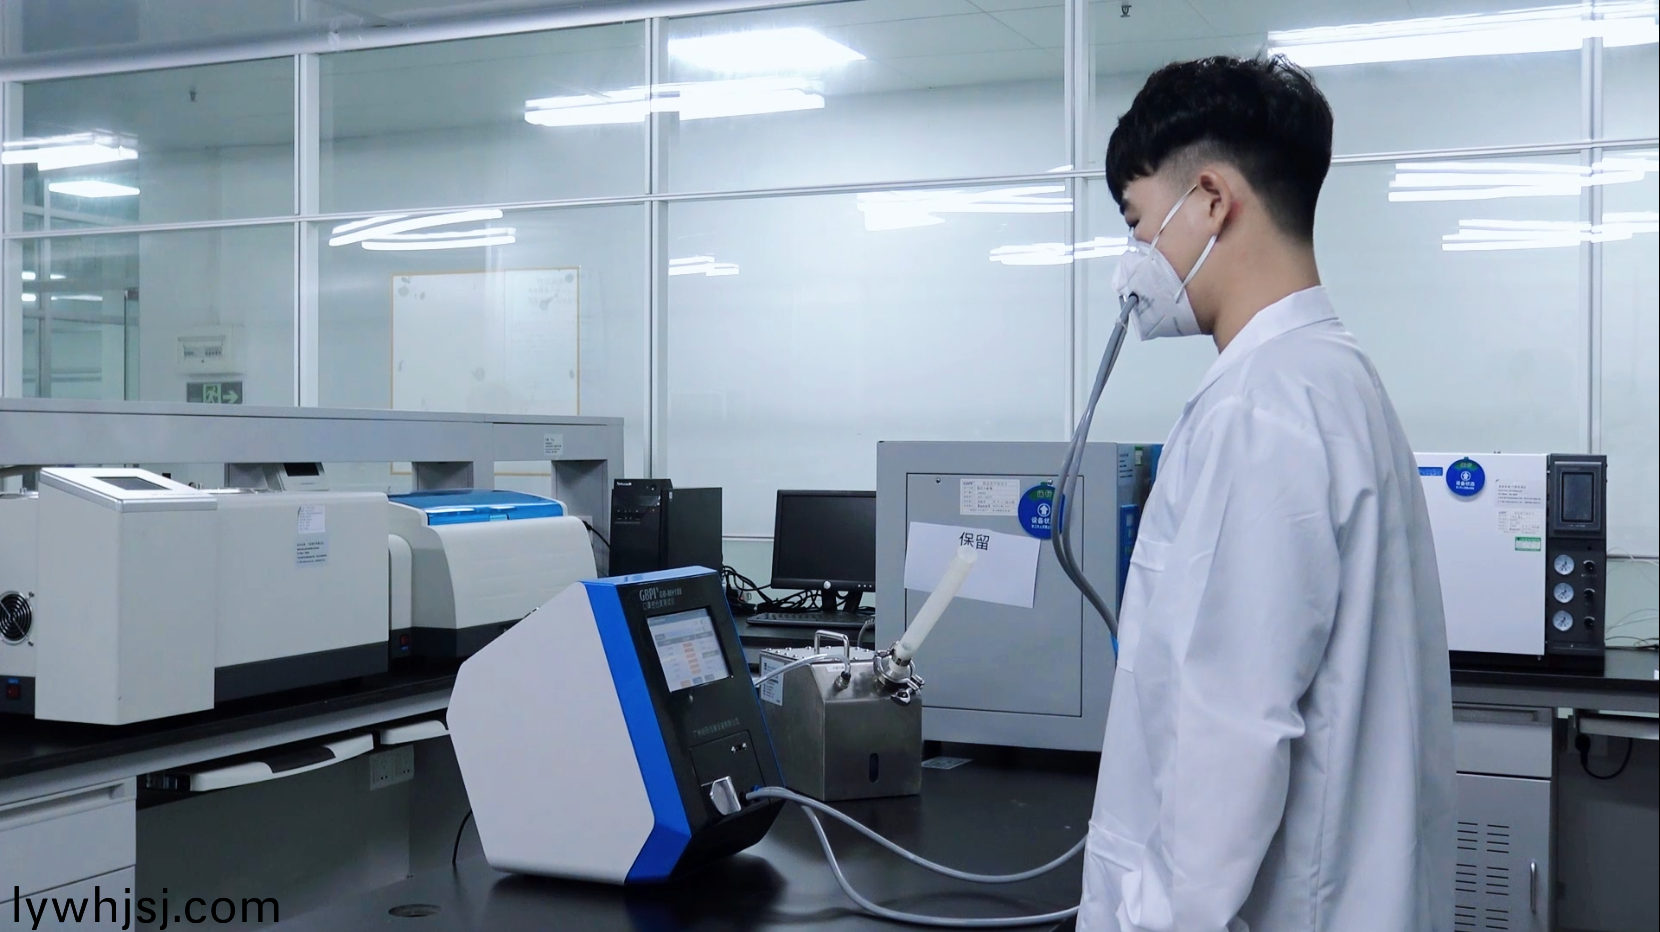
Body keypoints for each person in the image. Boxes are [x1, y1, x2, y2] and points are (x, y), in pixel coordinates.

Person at [1078, 56, 1455, 932]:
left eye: (1138, 222)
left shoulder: (1260, 408)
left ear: (1211, 199)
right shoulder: (1332, 377)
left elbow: (1226, 740)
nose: (1136, 258)